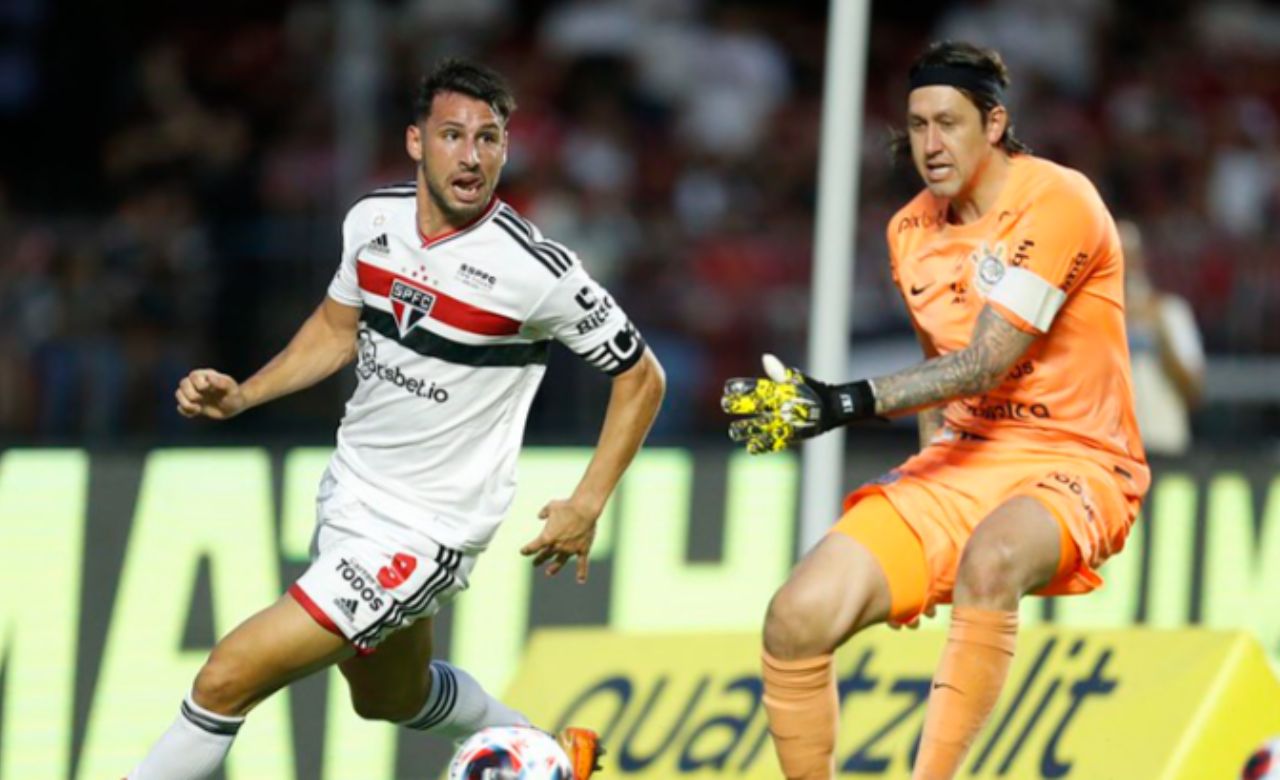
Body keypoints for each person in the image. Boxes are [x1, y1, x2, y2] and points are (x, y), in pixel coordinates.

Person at [129, 58, 665, 780]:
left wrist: (588, 500)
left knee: (229, 674)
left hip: (427, 528)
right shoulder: (371, 220)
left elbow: (642, 375)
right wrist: (245, 396)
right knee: (390, 697)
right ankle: (545, 752)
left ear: (506, 150)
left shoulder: (537, 271)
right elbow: (334, 326)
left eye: (490, 139)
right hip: (350, 494)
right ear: (417, 142)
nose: (472, 156)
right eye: (453, 135)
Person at [721, 41, 1149, 780]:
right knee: (795, 617)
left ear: (994, 124)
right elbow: (941, 366)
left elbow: (987, 361)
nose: (930, 144)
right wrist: (921, 473)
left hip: (1079, 459)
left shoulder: (1058, 200)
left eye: (948, 123)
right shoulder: (909, 232)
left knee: (992, 556)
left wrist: (843, 401)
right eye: (917, 126)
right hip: (963, 464)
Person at [1119, 218, 1205, 457]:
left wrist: (1160, 333)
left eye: (1131, 257)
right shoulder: (1090, 318)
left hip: (1164, 443)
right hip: (1112, 449)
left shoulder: (1171, 312)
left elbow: (1194, 390)